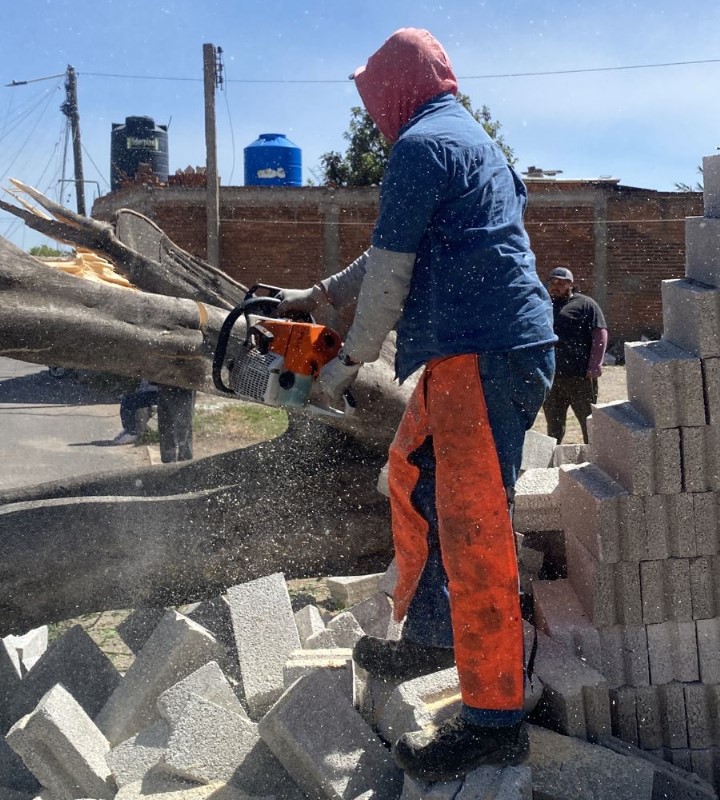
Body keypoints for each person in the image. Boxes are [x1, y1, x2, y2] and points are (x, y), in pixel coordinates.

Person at [277, 29, 555, 782]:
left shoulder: (421, 147)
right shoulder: (460, 138)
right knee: (412, 474)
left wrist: (346, 365)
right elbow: (380, 257)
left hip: (484, 352)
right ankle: (435, 637)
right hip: (474, 350)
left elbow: (392, 276)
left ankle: (495, 720)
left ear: (404, 85)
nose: (373, 120)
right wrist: (318, 298)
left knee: (475, 535)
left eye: (375, 104)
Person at [542, 266, 608, 444]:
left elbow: (600, 334)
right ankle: (553, 465)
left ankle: (594, 461)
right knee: (554, 427)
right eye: (553, 282)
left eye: (561, 283)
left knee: (588, 422)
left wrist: (595, 365)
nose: (555, 286)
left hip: (580, 377)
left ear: (570, 285)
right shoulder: (543, 304)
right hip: (552, 377)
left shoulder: (585, 304)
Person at [112, 379, 195, 463]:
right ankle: (170, 460)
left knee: (182, 422)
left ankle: (183, 461)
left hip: (180, 383)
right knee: (170, 422)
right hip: (165, 384)